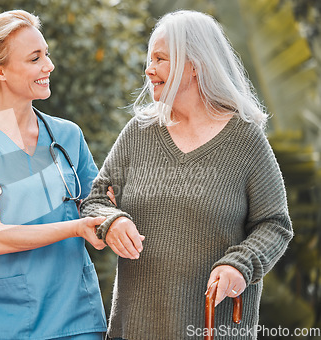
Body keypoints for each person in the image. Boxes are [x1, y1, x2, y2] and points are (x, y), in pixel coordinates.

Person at [80, 10, 293, 340]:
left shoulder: (246, 141)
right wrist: (113, 220)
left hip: (212, 330)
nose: (149, 70)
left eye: (161, 59)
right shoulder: (139, 133)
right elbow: (95, 200)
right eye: (149, 59)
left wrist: (239, 264)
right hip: (136, 329)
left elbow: (274, 224)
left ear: (194, 65)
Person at [0, 10, 109, 340]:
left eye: (46, 54)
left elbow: (99, 206)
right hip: (4, 322)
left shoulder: (67, 136)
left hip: (76, 317)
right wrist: (76, 227)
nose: (49, 66)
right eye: (35, 58)